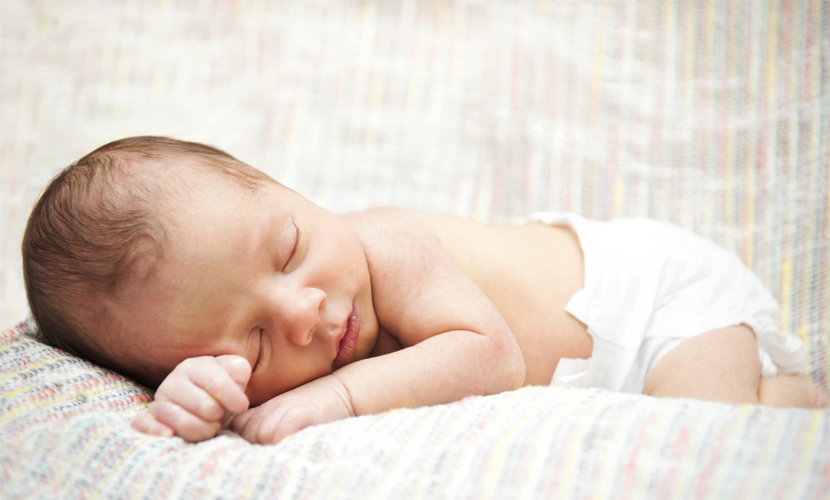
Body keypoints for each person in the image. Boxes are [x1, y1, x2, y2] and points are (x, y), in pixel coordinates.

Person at [22, 136, 829, 445]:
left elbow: (491, 356)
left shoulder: (388, 246)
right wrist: (200, 396)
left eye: (289, 249)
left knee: (701, 436)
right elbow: (221, 405)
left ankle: (789, 401)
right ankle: (788, 391)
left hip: (655, 304)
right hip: (619, 356)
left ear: (286, 186)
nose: (303, 314)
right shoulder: (293, 328)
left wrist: (335, 401)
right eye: (250, 346)